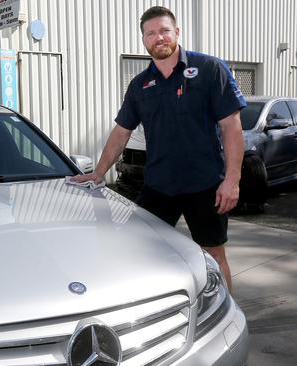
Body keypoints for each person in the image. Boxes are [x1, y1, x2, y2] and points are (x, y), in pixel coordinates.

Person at [70, 6, 245, 290]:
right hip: (159, 185)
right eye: (151, 33)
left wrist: (232, 179)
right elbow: (121, 131)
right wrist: (98, 172)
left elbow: (231, 126)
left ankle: (226, 313)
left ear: (177, 32)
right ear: (144, 40)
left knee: (213, 255)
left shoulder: (209, 69)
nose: (158, 37)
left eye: (164, 30)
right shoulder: (140, 85)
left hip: (205, 184)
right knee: (138, 250)